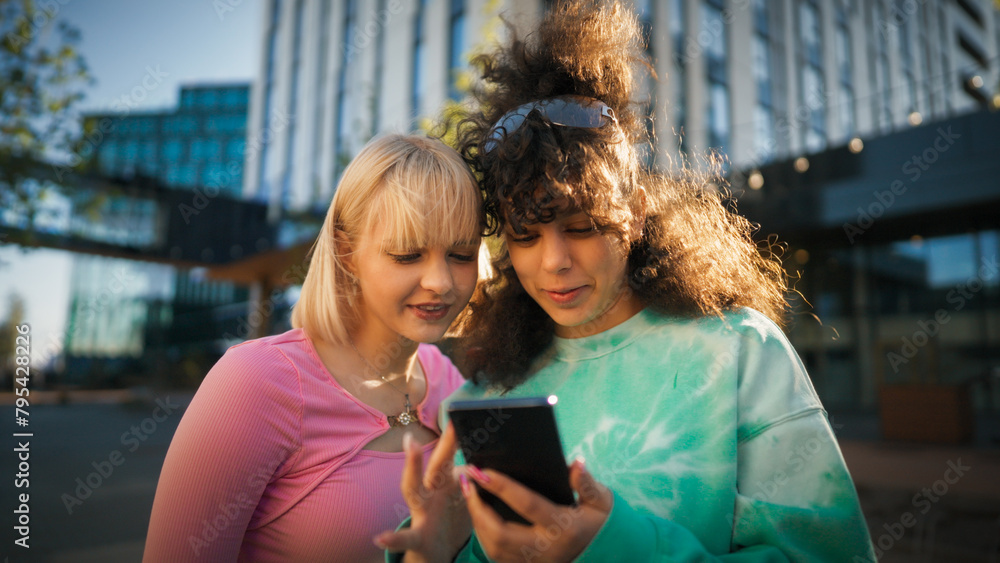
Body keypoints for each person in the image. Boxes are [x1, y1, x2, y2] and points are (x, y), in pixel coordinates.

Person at [378, 1, 877, 561]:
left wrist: (613, 546)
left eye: (582, 226)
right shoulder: (487, 396)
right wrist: (441, 549)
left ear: (635, 213)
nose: (554, 262)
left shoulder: (738, 351)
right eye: (525, 235)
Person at [143, 134, 482, 562]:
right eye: (408, 254)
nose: (442, 282)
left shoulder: (450, 381)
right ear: (346, 253)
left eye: (461, 253)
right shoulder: (255, 382)